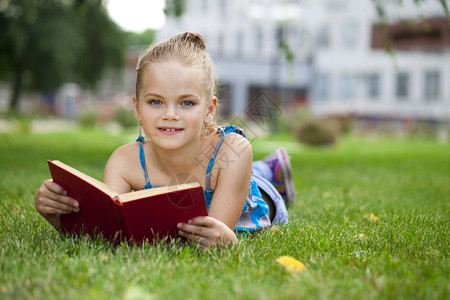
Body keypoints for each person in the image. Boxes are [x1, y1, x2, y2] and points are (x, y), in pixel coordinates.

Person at [34, 32, 296, 248]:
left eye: (187, 103)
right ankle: (268, 168)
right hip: (225, 178)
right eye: (155, 101)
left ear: (209, 110)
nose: (170, 115)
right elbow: (104, 236)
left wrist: (229, 243)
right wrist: (57, 215)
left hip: (253, 199)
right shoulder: (124, 162)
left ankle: (272, 172)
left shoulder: (233, 149)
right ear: (137, 107)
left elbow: (213, 236)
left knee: (254, 177)